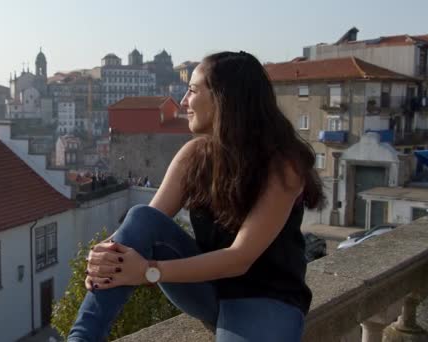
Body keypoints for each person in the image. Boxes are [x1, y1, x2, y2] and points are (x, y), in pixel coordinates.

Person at [67, 51, 325, 342]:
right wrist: (103, 260)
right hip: (209, 289)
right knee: (140, 216)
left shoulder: (283, 166)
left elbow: (239, 258)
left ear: (223, 99)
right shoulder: (194, 156)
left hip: (266, 297)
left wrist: (148, 272)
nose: (183, 101)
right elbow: (141, 229)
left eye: (192, 90)